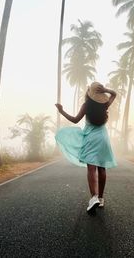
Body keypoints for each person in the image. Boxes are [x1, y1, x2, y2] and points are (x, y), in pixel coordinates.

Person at [55, 82, 117, 213]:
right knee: (102, 167)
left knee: (91, 168)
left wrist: (61, 111)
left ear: (89, 93)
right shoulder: (104, 105)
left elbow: (75, 120)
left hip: (90, 138)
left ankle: (94, 197)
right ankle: (100, 198)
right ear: (100, 94)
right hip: (103, 138)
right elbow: (114, 94)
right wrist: (106, 89)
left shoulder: (86, 105)